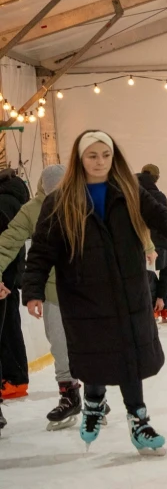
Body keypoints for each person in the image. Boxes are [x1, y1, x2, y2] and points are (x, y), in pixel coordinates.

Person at [23, 130, 167, 456]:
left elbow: (163, 218)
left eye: (105, 155)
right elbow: (41, 251)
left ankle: (139, 421)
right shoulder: (60, 201)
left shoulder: (129, 192)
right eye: (92, 156)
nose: (100, 162)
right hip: (84, 294)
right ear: (79, 159)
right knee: (95, 354)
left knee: (129, 356)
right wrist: (33, 290)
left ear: (114, 157)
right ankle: (94, 404)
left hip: (128, 291)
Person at [0, 164, 90, 430]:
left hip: (86, 288)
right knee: (60, 345)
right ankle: (70, 395)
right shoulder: (32, 210)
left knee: (91, 342)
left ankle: (96, 394)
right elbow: (8, 242)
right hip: (52, 290)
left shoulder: (86, 203)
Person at [0, 168, 31, 400]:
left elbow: (6, 244)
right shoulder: (16, 201)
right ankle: (16, 378)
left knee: (7, 328)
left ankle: (14, 378)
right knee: (10, 324)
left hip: (4, 274)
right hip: (11, 272)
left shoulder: (2, 202)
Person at [138, 164, 167, 322]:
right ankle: (165, 307)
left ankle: (151, 307)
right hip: (158, 242)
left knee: (146, 273)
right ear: (156, 178)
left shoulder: (130, 191)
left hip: (138, 242)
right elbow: (163, 219)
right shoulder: (159, 196)